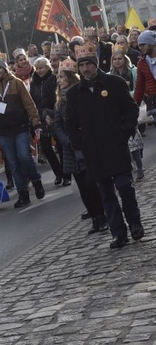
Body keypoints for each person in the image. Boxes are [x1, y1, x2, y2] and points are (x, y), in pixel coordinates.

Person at [65, 44, 143, 249]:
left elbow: (130, 108)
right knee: (106, 193)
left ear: (95, 64)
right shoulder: (74, 94)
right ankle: (118, 232)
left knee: (125, 186)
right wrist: (79, 142)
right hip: (94, 152)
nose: (85, 69)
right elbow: (71, 124)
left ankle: (134, 222)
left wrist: (125, 130)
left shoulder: (114, 83)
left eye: (89, 64)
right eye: (81, 66)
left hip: (116, 146)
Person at [0, 52, 45, 209]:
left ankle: (36, 181)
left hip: (21, 129)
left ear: (5, 68)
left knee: (24, 158)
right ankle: (23, 194)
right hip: (4, 133)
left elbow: (29, 105)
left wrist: (36, 124)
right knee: (13, 164)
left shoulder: (16, 83)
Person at [54, 58, 108, 234]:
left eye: (62, 77)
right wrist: (66, 140)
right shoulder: (59, 102)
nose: (59, 80)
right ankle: (94, 217)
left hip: (85, 145)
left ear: (70, 77)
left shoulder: (79, 93)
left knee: (91, 183)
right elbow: (58, 125)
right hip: (70, 149)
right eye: (58, 77)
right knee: (82, 187)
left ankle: (102, 215)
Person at [30, 57, 67, 186]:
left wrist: (52, 114)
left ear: (47, 67)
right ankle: (58, 173)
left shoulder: (53, 79)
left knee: (60, 146)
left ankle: (66, 174)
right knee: (46, 147)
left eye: (42, 68)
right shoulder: (33, 82)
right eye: (37, 68)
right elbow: (32, 101)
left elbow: (58, 98)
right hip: (41, 118)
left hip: (54, 115)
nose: (39, 71)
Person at [134, 30, 156, 108]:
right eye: (139, 45)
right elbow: (140, 85)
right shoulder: (141, 63)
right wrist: (134, 107)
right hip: (153, 102)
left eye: (143, 44)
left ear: (152, 43)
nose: (140, 48)